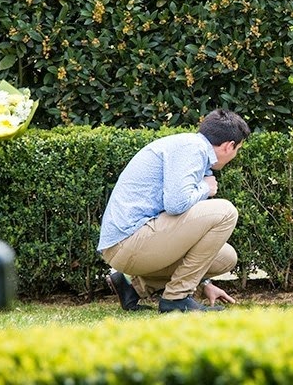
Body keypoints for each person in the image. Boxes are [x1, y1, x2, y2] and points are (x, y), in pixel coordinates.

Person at [97, 109, 250, 313]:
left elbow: (188, 231)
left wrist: (204, 283)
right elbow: (176, 205)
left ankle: (133, 286)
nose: (236, 154)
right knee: (226, 212)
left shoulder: (192, 149)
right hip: (127, 243)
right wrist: (206, 188)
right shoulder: (192, 149)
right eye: (238, 148)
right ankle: (176, 298)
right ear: (229, 146)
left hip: (132, 244)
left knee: (225, 257)